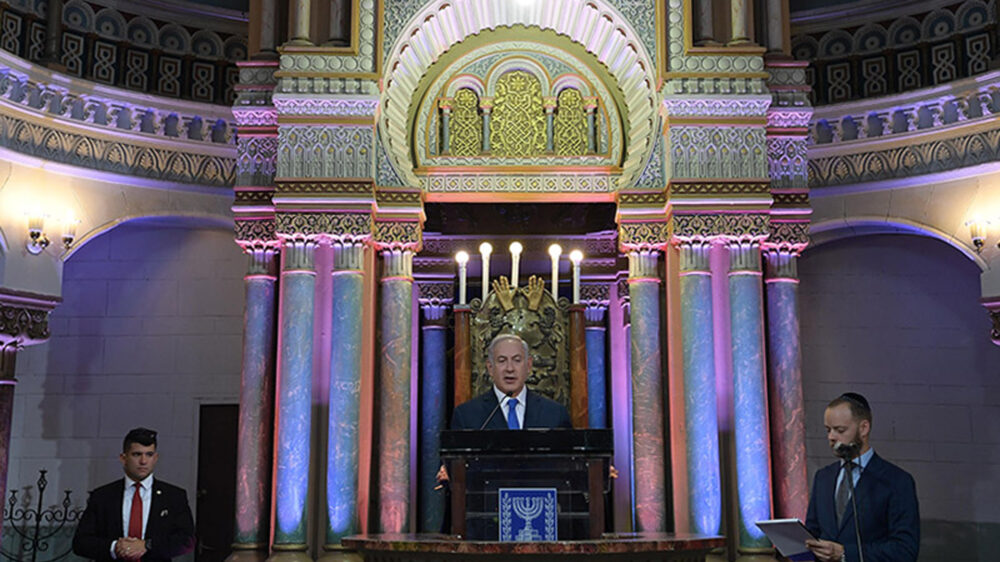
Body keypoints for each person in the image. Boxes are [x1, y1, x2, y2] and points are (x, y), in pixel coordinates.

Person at [805, 393, 919, 562]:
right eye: (828, 430)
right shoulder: (823, 477)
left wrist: (845, 554)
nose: (831, 437)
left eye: (840, 430)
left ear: (864, 428)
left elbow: (904, 550)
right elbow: (812, 534)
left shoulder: (896, 481)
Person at [73, 427, 195, 562]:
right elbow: (80, 543)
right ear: (123, 458)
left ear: (155, 458)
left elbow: (186, 541)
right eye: (137, 454)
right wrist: (115, 547)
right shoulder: (102, 496)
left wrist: (147, 545)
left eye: (149, 454)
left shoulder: (174, 497)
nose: (143, 461)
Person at [450, 333, 572, 430]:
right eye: (502, 360)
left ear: (528, 366)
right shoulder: (466, 415)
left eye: (517, 360)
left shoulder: (555, 414)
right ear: (490, 368)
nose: (510, 368)